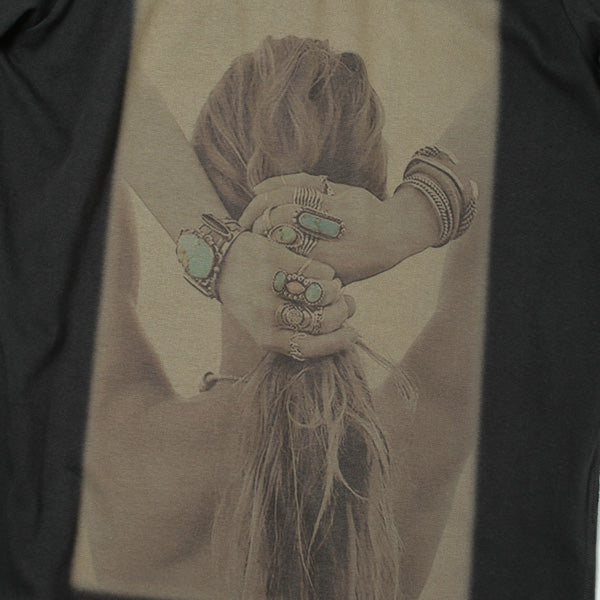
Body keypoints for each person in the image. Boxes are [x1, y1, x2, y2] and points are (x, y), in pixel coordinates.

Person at [73, 36, 492, 600]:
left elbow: (78, 70)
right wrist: (408, 219)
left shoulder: (121, 439)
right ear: (368, 194)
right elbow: (536, 89)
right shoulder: (417, 440)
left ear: (197, 176)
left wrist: (215, 247)